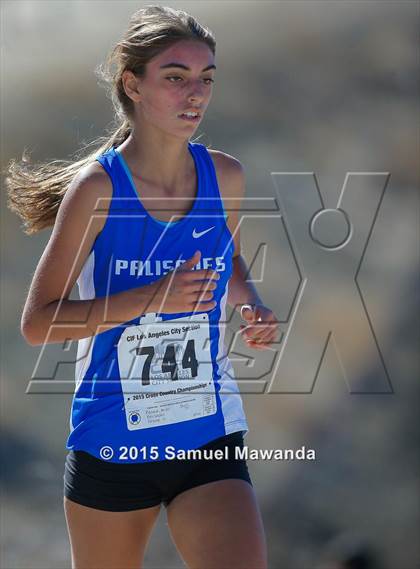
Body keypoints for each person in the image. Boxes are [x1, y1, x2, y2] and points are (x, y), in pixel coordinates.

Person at [6, 5, 279, 568]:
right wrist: (153, 298)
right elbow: (39, 324)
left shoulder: (224, 176)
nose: (195, 95)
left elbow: (224, 259)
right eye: (175, 78)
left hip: (206, 432)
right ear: (133, 85)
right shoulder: (97, 190)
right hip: (112, 439)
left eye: (205, 80)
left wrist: (249, 301)